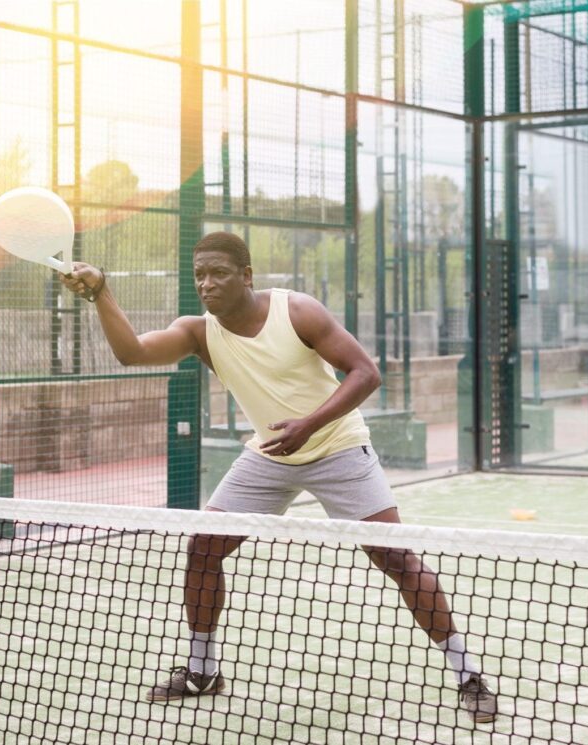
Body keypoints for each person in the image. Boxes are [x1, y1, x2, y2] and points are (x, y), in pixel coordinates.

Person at [60, 231, 497, 724]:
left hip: (337, 445)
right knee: (204, 547)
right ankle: (202, 669)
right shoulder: (198, 332)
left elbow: (365, 373)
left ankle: (468, 674)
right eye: (200, 275)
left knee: (394, 556)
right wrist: (101, 292)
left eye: (219, 273)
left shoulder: (297, 311)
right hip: (268, 454)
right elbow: (133, 353)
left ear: (247, 276)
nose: (207, 284)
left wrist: (309, 425)